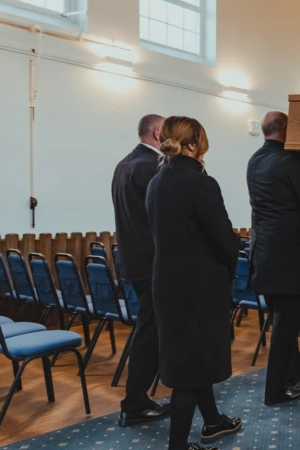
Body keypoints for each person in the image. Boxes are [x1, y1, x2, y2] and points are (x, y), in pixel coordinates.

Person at [146, 116, 242, 450]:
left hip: (167, 284)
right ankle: (178, 446)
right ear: (194, 144)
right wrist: (231, 267)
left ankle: (213, 422)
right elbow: (224, 241)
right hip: (198, 289)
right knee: (190, 371)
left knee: (190, 360)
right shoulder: (201, 183)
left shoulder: (156, 181)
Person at [246, 111, 300, 405]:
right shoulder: (292, 162)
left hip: (263, 254)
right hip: (289, 257)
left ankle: (292, 370)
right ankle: (275, 390)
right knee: (285, 326)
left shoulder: (255, 159)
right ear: (287, 129)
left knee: (281, 322)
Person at [111, 114, 170, 427]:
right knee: (149, 333)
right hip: (152, 263)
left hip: (134, 261)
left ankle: (140, 397)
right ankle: (135, 402)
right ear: (159, 132)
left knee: (150, 329)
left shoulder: (124, 164)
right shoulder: (151, 167)